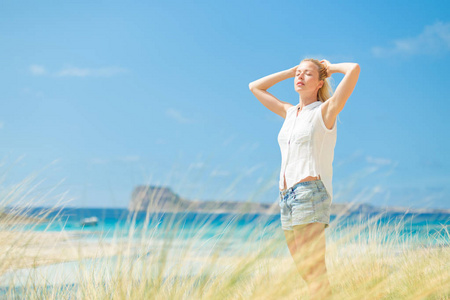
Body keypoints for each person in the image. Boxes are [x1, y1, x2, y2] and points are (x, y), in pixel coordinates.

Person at [248, 58, 360, 299]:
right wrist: (290, 71)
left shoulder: (325, 111)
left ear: (320, 82)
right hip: (286, 196)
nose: (300, 77)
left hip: (310, 193)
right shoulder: (289, 113)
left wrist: (330, 69)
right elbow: (254, 87)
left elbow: (354, 69)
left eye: (307, 74)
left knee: (314, 268)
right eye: (298, 73)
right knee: (304, 269)